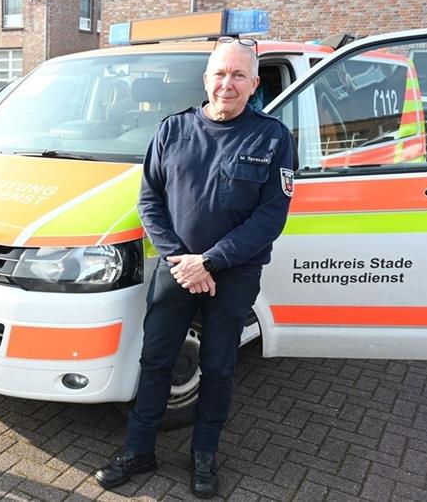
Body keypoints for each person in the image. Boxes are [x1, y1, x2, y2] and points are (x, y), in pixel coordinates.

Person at [95, 37, 295, 498]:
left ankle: (204, 454)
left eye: (238, 75)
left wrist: (210, 260)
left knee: (219, 365)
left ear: (254, 84)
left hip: (234, 271)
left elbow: (271, 216)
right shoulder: (172, 130)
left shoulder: (271, 138)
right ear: (206, 80)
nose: (228, 84)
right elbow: (149, 200)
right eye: (220, 74)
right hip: (176, 267)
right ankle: (138, 449)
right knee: (155, 361)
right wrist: (181, 260)